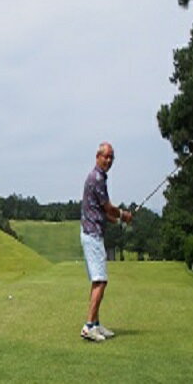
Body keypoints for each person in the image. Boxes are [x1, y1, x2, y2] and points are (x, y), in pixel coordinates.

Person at [80, 142, 132, 341]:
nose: (109, 160)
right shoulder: (97, 178)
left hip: (92, 232)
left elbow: (103, 212)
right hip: (92, 234)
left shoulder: (99, 177)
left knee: (97, 281)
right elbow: (108, 208)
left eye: (112, 157)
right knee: (101, 281)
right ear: (97, 156)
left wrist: (119, 218)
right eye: (106, 156)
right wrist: (123, 214)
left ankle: (95, 324)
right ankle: (88, 326)